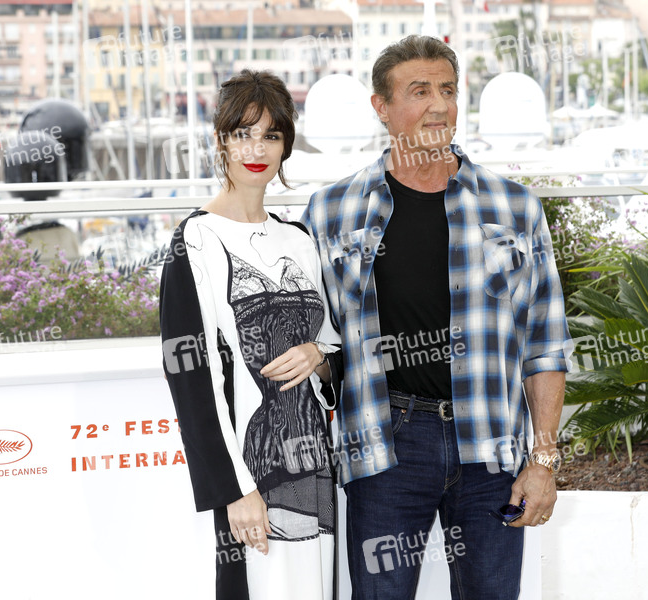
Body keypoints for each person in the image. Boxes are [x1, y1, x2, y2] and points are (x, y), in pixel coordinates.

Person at [301, 36, 570, 599]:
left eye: (447, 90)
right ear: (381, 107)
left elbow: (544, 346)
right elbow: (321, 338)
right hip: (385, 446)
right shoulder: (331, 211)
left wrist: (543, 461)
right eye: (419, 91)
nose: (439, 105)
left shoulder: (514, 206)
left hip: (493, 448)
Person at [160, 70, 342, 600]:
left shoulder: (300, 238)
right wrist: (234, 490)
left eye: (271, 135)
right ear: (221, 141)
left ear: (286, 145)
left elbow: (334, 348)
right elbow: (190, 376)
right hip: (252, 470)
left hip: (315, 460)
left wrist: (317, 355)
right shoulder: (196, 239)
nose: (257, 149)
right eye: (243, 134)